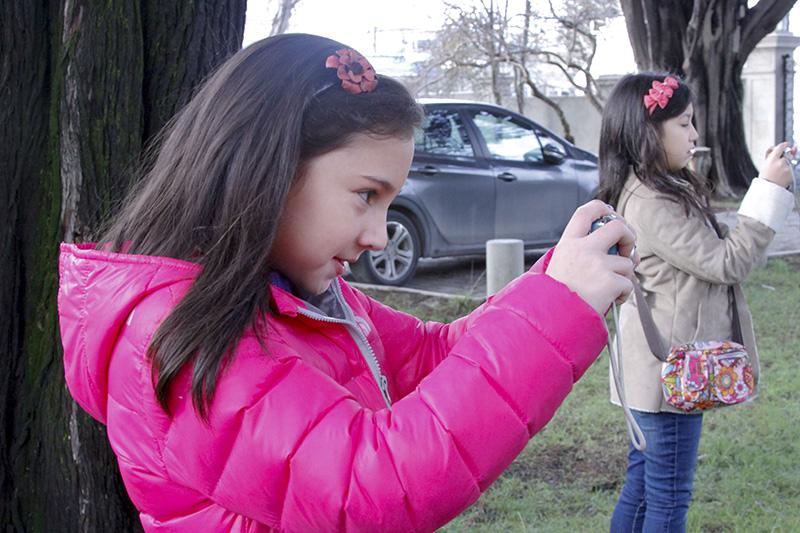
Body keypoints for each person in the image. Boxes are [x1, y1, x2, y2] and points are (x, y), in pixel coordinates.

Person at [58, 33, 637, 532]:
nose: (380, 238)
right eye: (366, 195)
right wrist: (557, 307)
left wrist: (556, 280)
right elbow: (374, 486)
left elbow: (429, 356)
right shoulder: (177, 336)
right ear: (270, 168)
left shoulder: (289, 298)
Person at [597, 73, 795, 532]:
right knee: (666, 501)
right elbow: (727, 262)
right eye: (684, 123)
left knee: (645, 490)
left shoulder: (654, 188)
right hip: (671, 374)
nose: (695, 135)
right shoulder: (651, 200)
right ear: (650, 131)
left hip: (660, 370)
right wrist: (769, 191)